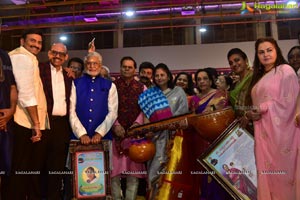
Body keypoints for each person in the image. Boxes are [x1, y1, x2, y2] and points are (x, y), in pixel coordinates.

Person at [245, 37, 300, 200]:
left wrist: (262, 108)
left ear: (277, 50)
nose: (266, 55)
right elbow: (254, 104)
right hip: (263, 137)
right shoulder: (258, 77)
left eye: (269, 50)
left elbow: (289, 102)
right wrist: (249, 113)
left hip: (284, 137)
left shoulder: (285, 70)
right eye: (261, 52)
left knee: (284, 178)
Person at [6, 28, 49, 199]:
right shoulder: (22, 57)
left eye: (39, 42)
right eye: (32, 41)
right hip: (22, 122)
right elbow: (25, 94)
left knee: (22, 171)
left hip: (23, 121)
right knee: (20, 170)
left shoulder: (27, 57)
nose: (36, 45)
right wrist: (36, 124)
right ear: (22, 41)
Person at [138, 63, 189, 199]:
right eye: (157, 75)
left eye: (162, 75)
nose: (159, 78)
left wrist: (171, 124)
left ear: (168, 76)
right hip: (155, 139)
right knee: (153, 172)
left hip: (174, 139)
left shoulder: (178, 91)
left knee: (173, 173)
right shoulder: (150, 94)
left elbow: (183, 113)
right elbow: (146, 115)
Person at [189, 68, 231, 200]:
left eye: (205, 78)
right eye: (199, 79)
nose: (202, 82)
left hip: (218, 142)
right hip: (200, 141)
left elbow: (224, 117)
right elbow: (193, 120)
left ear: (211, 80)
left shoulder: (220, 95)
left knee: (218, 175)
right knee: (203, 175)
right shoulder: (194, 100)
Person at [39, 42, 73, 200]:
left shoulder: (69, 75)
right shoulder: (39, 69)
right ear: (49, 53)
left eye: (61, 54)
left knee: (57, 166)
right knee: (40, 164)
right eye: (54, 52)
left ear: (66, 57)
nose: (57, 56)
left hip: (61, 126)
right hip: (43, 122)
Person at [111, 56, 146, 200]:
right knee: (114, 173)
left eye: (130, 67)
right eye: (124, 66)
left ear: (134, 70)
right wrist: (116, 125)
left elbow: (144, 108)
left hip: (134, 136)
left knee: (133, 174)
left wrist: (137, 124)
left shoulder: (142, 87)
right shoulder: (112, 86)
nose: (127, 69)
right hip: (115, 135)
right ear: (120, 68)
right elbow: (108, 108)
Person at [0, 49, 17, 199]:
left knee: (6, 167)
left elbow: (12, 86)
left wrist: (11, 110)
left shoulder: (5, 55)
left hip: (6, 124)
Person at [227, 48, 253, 118]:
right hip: (240, 123)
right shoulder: (236, 84)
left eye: (237, 60)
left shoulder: (254, 78)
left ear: (246, 60)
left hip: (254, 121)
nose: (234, 64)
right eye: (231, 63)